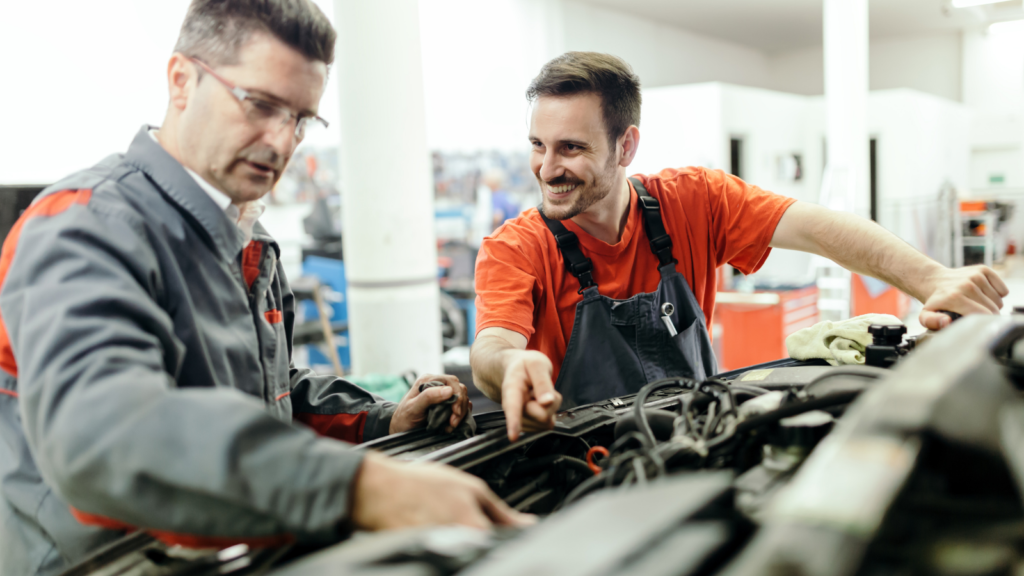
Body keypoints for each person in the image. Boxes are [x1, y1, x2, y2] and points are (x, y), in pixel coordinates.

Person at [0, 2, 528, 574]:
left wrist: (379, 421)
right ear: (181, 81)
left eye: (301, 119)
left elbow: (267, 396)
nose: (282, 142)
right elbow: (102, 436)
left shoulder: (248, 238)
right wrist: (357, 488)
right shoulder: (86, 225)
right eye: (261, 104)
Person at [470, 52, 1010, 442]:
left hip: (703, 441)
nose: (547, 168)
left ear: (626, 144)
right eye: (538, 146)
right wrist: (511, 366)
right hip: (582, 469)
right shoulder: (516, 248)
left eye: (571, 148)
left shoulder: (693, 201)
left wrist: (932, 280)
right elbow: (493, 343)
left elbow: (820, 228)